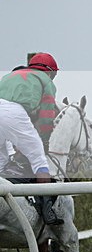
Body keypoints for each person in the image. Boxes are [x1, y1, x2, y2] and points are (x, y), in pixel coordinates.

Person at [0, 52, 62, 224]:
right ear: (50, 72)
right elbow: (46, 116)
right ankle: (47, 211)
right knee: (39, 162)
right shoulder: (46, 81)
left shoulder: (10, 76)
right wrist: (44, 140)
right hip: (14, 114)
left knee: (1, 164)